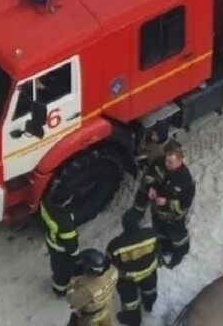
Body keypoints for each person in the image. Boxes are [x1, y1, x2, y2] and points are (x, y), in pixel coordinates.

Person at [132, 140, 194, 269]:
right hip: (157, 211)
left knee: (177, 238)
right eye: (166, 161)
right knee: (159, 232)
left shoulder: (185, 181)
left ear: (180, 160)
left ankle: (179, 254)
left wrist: (167, 203)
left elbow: (184, 204)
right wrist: (150, 187)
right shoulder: (160, 163)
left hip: (173, 218)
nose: (167, 164)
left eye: (170, 162)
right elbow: (149, 175)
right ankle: (164, 249)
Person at [107, 209, 160, 326]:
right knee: (149, 290)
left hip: (128, 278)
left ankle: (133, 319)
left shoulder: (115, 245)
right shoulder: (151, 234)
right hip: (149, 272)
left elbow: (111, 263)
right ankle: (148, 304)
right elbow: (157, 250)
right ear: (138, 223)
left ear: (124, 225)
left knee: (130, 301)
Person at [40, 189, 81, 297]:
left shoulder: (46, 202)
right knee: (62, 272)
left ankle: (58, 286)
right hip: (62, 250)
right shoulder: (66, 224)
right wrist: (77, 258)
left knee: (55, 264)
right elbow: (72, 246)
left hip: (50, 241)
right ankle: (60, 290)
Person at [66, 249, 119, 326]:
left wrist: (72, 284)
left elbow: (72, 301)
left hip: (90, 316)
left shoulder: (87, 289)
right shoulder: (113, 271)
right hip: (106, 307)